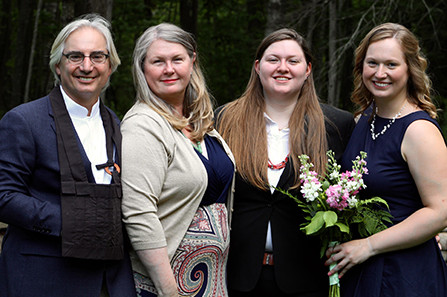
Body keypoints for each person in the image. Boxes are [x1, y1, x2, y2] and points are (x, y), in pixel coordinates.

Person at [0, 13, 137, 297]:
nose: (86, 66)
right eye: (75, 56)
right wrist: (71, 221)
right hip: (44, 278)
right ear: (58, 65)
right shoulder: (24, 121)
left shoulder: (119, 125)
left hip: (109, 281)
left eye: (97, 56)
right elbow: (4, 195)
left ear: (110, 66)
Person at [216, 28, 355, 297]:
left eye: (293, 61)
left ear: (307, 70)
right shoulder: (224, 120)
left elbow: (360, 190)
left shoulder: (336, 126)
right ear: (257, 67)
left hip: (308, 278)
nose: (283, 68)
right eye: (273, 60)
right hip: (236, 277)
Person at [325, 23, 447, 297]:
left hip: (403, 273)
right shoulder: (362, 119)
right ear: (361, 67)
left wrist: (369, 245)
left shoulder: (419, 130)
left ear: (410, 69)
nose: (380, 73)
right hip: (359, 265)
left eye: (391, 64)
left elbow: (440, 211)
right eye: (372, 63)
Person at [120, 23, 235, 297]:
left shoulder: (199, 123)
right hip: (166, 285)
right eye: (158, 61)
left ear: (192, 62)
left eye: (177, 59)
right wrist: (168, 289)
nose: (169, 69)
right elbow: (138, 213)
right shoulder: (143, 125)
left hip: (211, 281)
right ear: (142, 67)